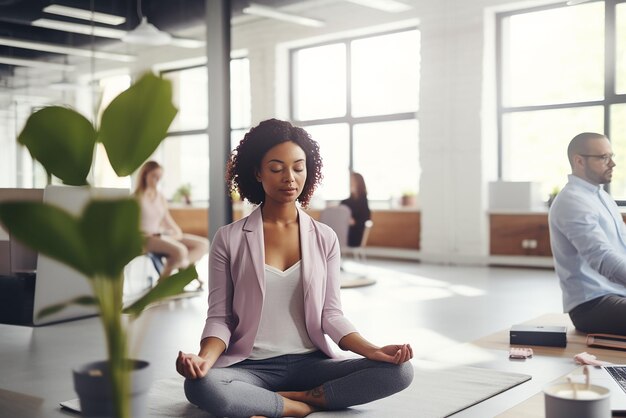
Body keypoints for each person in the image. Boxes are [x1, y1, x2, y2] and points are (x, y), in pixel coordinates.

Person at [176, 119, 413, 418]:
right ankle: (296, 406)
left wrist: (372, 350)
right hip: (251, 367)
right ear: (257, 172)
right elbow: (219, 318)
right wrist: (204, 361)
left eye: (298, 168)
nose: (289, 178)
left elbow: (331, 314)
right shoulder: (229, 238)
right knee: (200, 387)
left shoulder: (325, 237)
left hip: (312, 364)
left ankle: (287, 399)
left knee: (400, 372)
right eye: (276, 168)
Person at [549, 132, 626, 335]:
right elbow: (602, 258)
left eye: (611, 156)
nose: (612, 164)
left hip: (618, 294)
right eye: (603, 157)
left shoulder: (602, 197)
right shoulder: (571, 201)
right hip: (592, 306)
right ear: (579, 161)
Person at [134, 160, 209, 282]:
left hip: (161, 235)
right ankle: (167, 280)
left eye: (159, 178)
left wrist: (175, 233)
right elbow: (130, 228)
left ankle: (173, 272)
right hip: (146, 238)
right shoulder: (136, 198)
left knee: (203, 244)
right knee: (181, 250)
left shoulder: (160, 197)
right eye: (154, 177)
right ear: (145, 175)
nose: (157, 181)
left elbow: (168, 222)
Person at [341, 171, 371, 247]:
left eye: (353, 181)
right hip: (344, 231)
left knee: (334, 236)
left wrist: (354, 222)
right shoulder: (346, 202)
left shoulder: (363, 200)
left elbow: (366, 218)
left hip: (355, 235)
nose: (350, 183)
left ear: (358, 183)